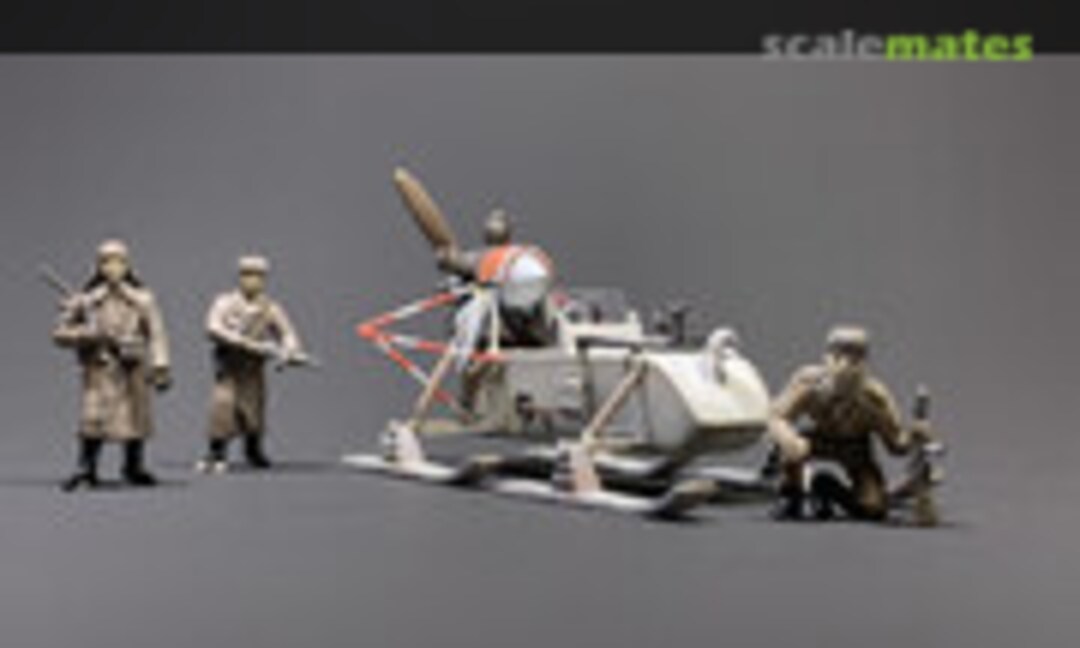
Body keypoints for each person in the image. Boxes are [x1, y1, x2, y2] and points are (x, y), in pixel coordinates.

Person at [768, 326, 932, 521]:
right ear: (827, 358)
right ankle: (791, 495)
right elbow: (777, 416)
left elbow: (895, 444)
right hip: (819, 439)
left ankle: (827, 488)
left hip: (855, 450)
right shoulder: (809, 384)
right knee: (791, 453)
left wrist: (914, 435)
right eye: (838, 357)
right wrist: (789, 439)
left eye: (854, 359)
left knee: (873, 508)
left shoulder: (875, 399)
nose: (845, 366)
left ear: (864, 363)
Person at [52, 239, 171, 490]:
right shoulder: (86, 300)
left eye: (118, 261)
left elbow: (157, 333)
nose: (113, 267)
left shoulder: (143, 299)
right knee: (93, 419)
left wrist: (161, 366)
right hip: (100, 370)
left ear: (128, 265)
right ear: (98, 266)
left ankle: (133, 466)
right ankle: (86, 469)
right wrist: (88, 335)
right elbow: (59, 334)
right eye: (106, 262)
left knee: (135, 420)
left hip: (132, 369)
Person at [197, 255, 308, 473]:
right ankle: (216, 452)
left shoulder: (270, 308)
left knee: (254, 411)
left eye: (258, 276)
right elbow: (212, 328)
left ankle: (253, 450)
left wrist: (289, 351)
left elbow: (287, 332)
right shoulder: (224, 303)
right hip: (229, 368)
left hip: (253, 370)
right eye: (247, 275)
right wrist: (247, 343)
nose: (252, 281)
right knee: (222, 408)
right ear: (239, 277)